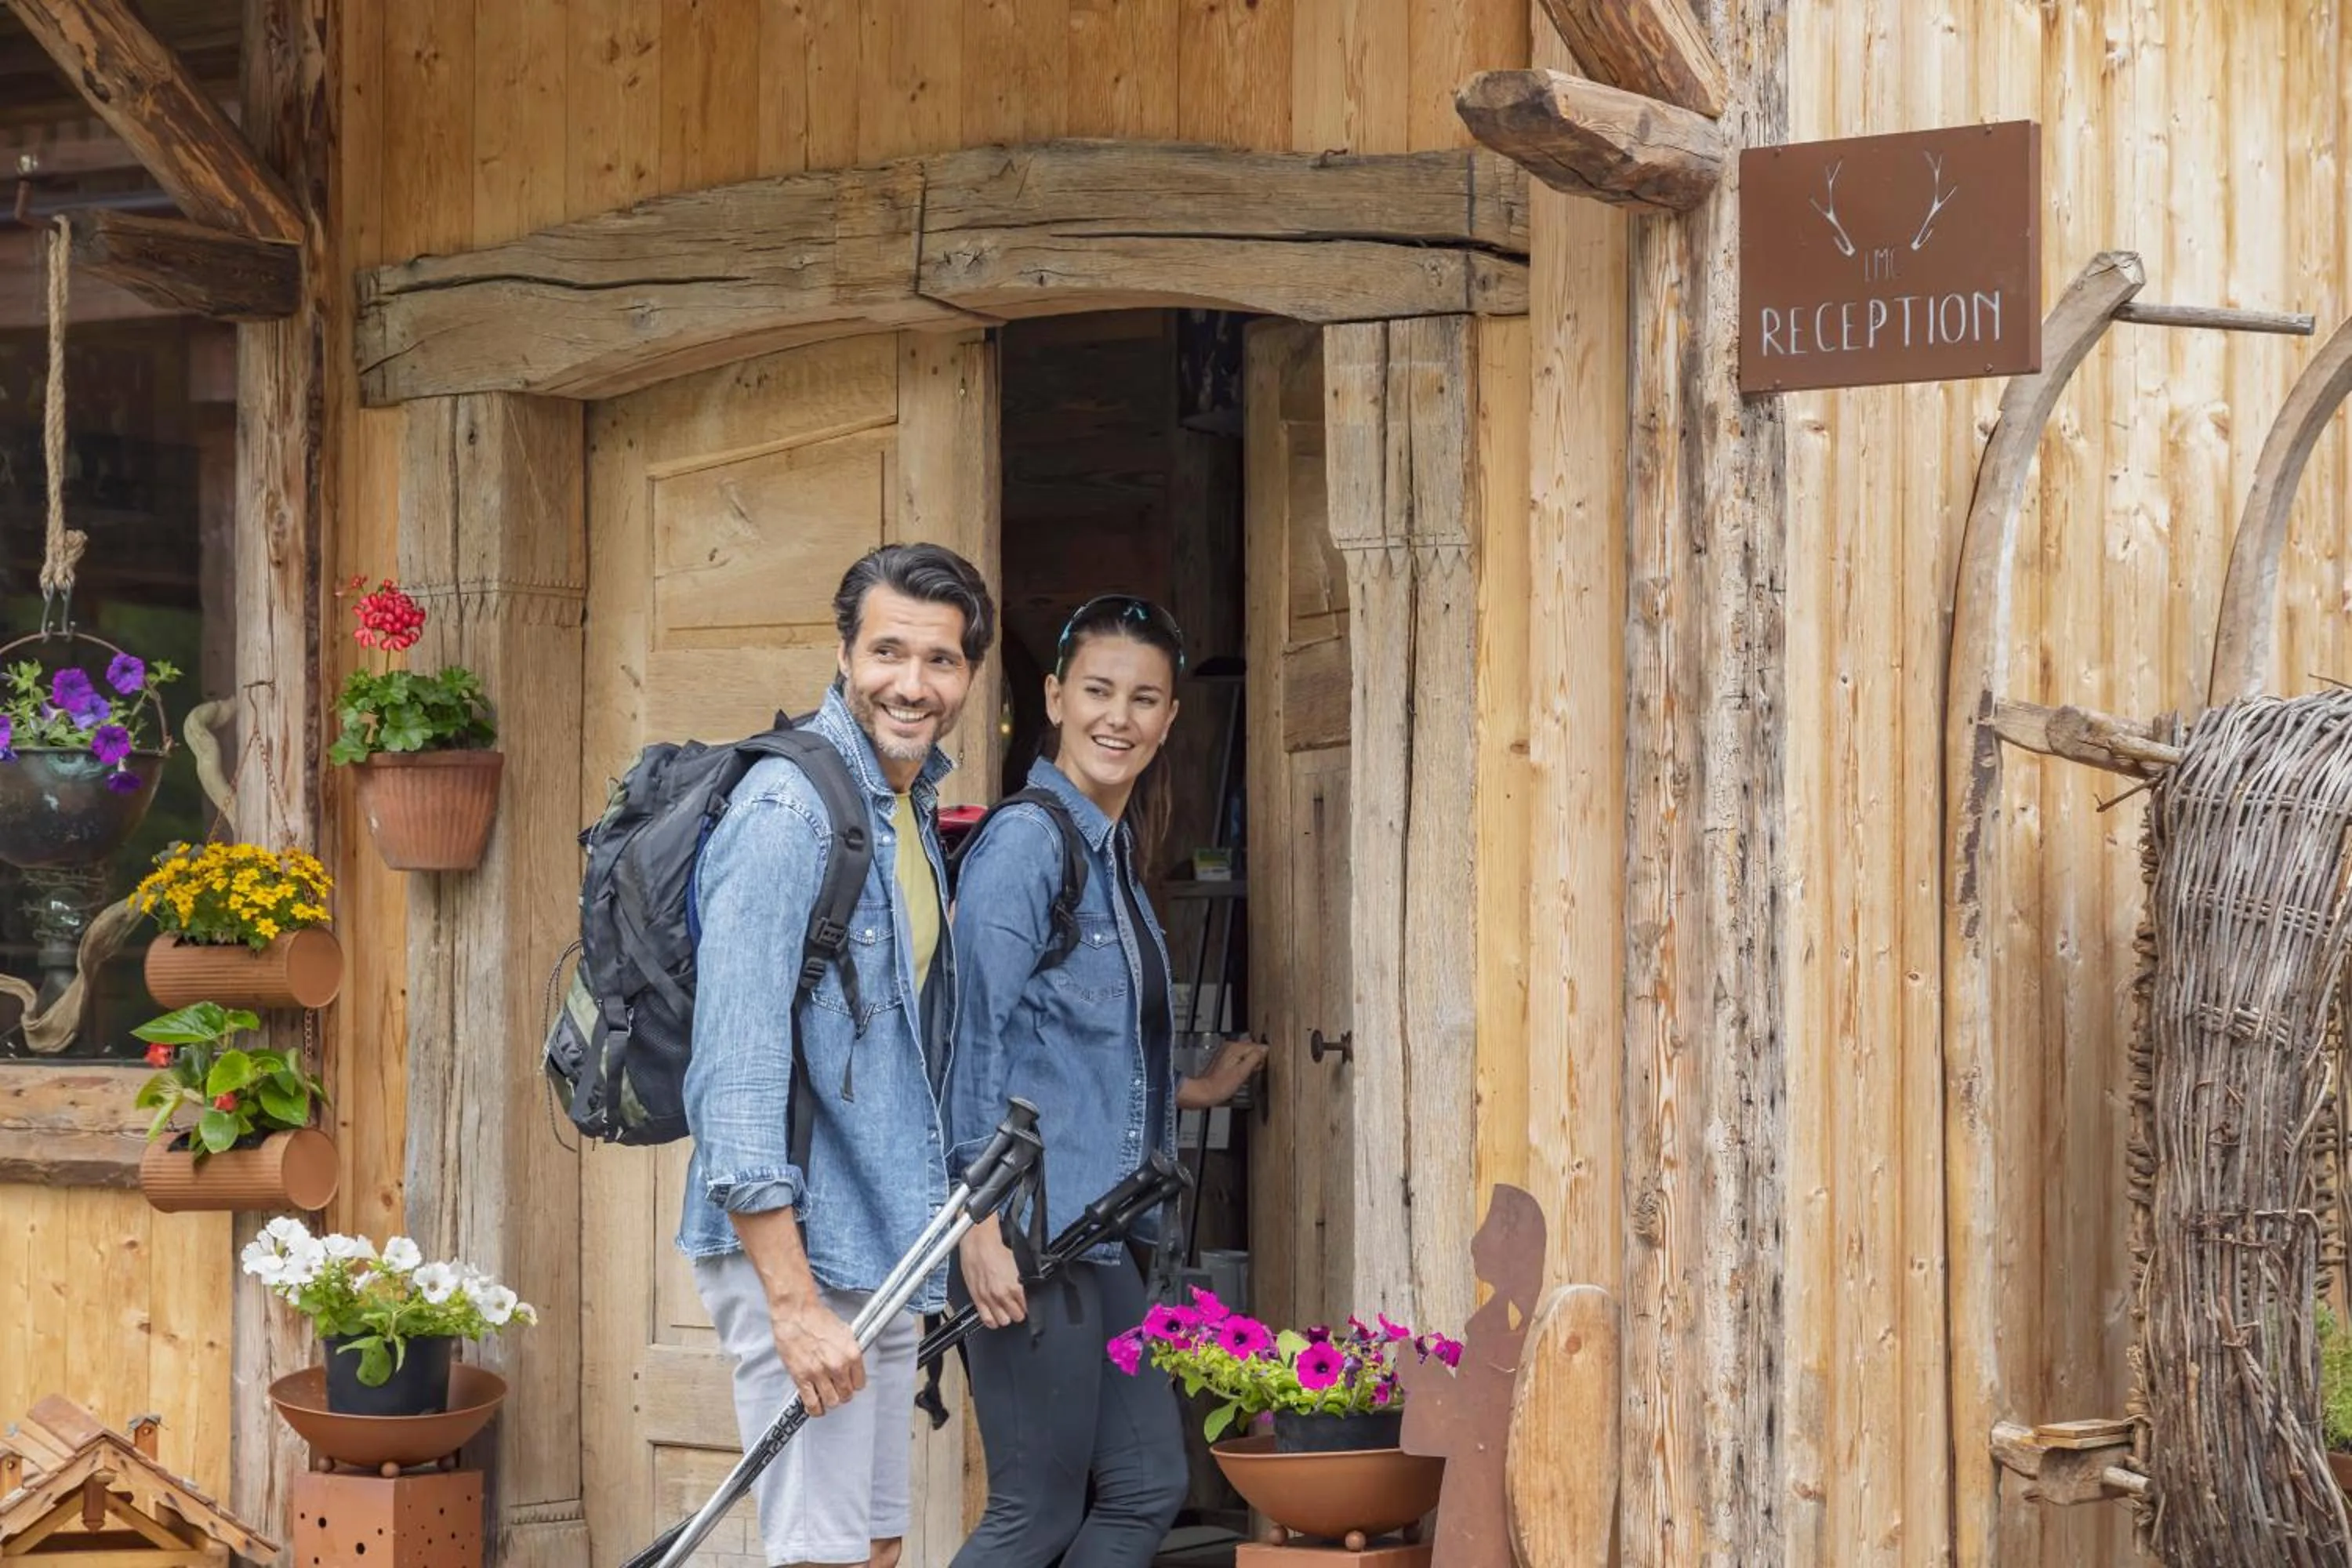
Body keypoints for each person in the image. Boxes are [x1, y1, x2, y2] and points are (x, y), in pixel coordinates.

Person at [681, 543, 996, 1568]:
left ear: (968, 676)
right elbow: (734, 1072)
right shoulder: (788, 811)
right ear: (845, 654)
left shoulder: (900, 805)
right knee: (816, 1556)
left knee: (873, 1548)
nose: (913, 683)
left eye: (941, 660)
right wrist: (792, 1302)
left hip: (886, 1239)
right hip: (805, 1250)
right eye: (889, 651)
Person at [944, 593, 1269, 1568]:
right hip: (1028, 1234)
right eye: (1097, 689)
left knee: (1143, 1487)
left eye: (1142, 697)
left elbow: (1073, 1048)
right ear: (1053, 696)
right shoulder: (1027, 843)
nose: (1117, 716)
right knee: (1035, 1509)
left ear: (1170, 718)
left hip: (1097, 1230)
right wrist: (978, 1226)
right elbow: (973, 1043)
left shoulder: (1111, 851)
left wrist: (1189, 1093)